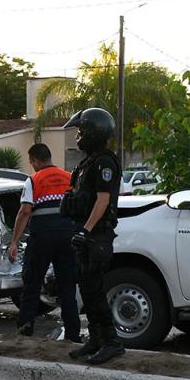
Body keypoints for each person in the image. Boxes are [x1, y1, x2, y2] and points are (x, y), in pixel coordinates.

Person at [61, 107, 126, 365]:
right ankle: (96, 339)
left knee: (95, 291)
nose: (78, 136)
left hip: (97, 235)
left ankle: (112, 342)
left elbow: (102, 201)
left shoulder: (104, 163)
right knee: (87, 291)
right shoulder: (89, 162)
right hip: (86, 235)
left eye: (81, 131)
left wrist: (86, 231)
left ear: (93, 132)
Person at [7, 143, 81, 341]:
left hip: (42, 236)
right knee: (67, 286)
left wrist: (14, 242)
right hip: (67, 235)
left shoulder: (33, 180)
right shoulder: (69, 177)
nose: (32, 166)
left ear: (36, 160)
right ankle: (73, 334)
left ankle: (25, 330)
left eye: (31, 162)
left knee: (32, 284)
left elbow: (25, 212)